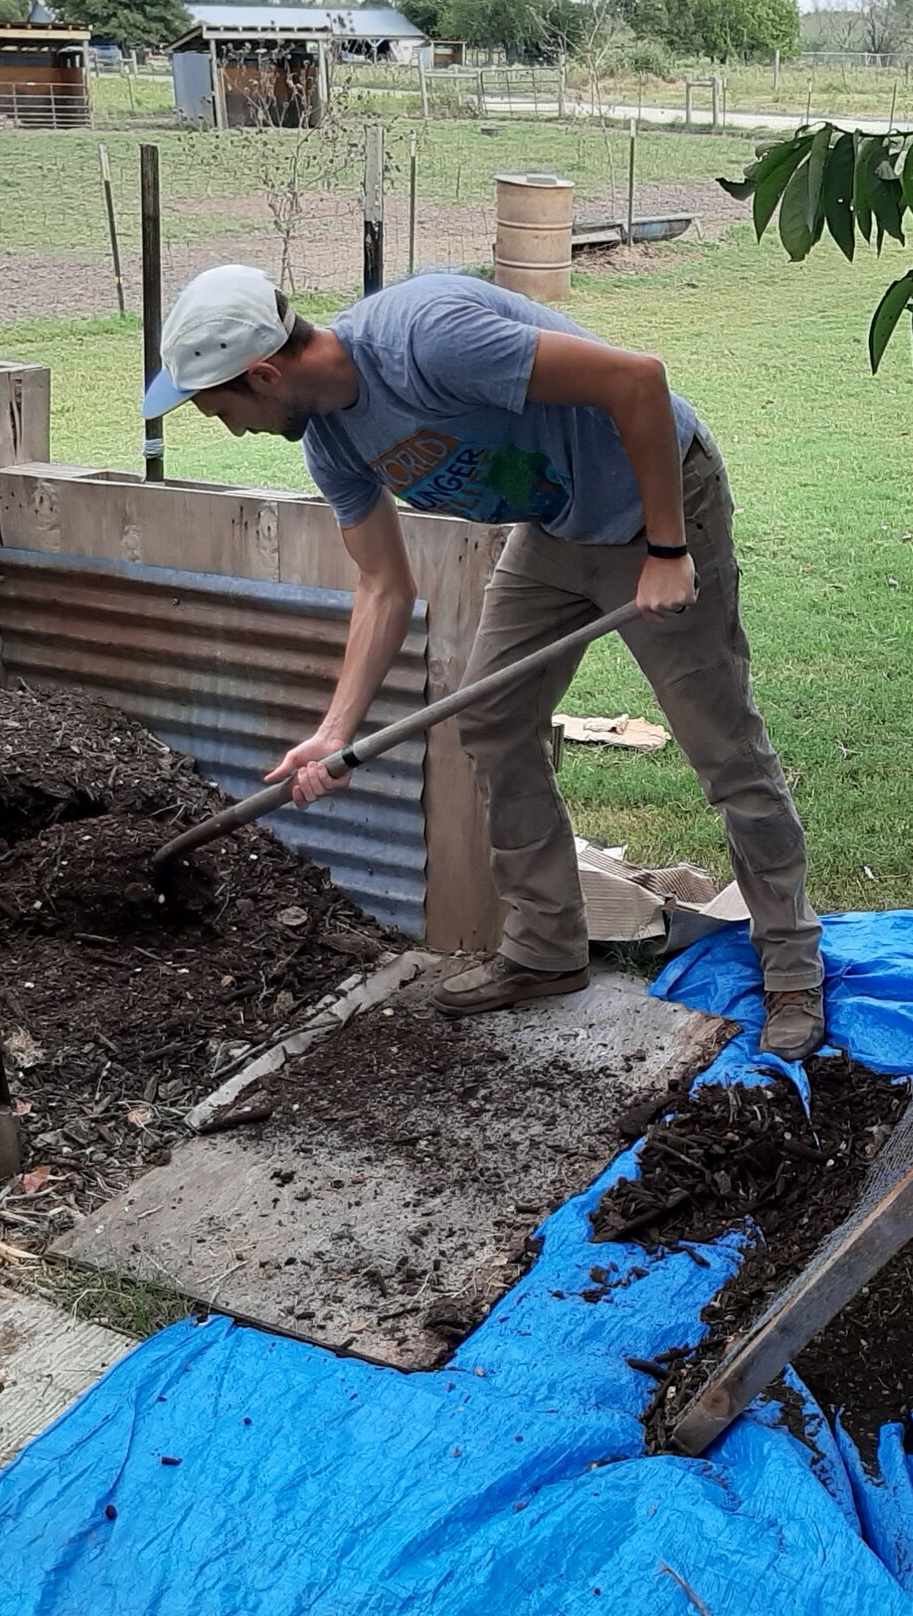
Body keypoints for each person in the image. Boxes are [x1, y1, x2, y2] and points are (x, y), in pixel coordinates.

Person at [140, 264, 827, 1060]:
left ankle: (791, 970)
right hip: (556, 527)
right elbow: (384, 585)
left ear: (262, 374)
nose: (231, 428)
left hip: (659, 500)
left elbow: (637, 379)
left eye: (221, 409)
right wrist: (335, 731)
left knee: (723, 748)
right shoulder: (330, 442)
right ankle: (545, 950)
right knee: (491, 717)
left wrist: (669, 546)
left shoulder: (428, 341)